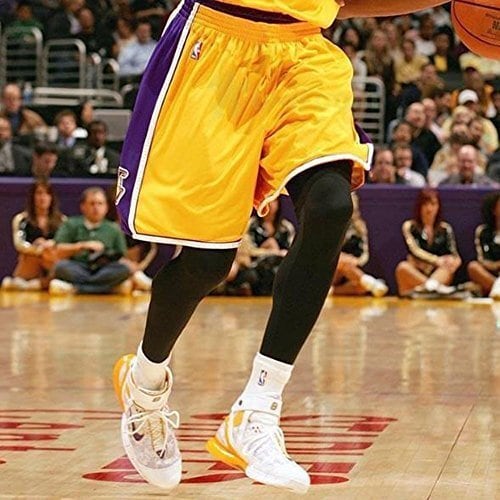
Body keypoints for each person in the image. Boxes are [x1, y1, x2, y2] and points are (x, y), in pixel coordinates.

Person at [112, 0, 451, 493]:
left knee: (332, 206)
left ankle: (257, 411)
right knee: (209, 262)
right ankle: (144, 386)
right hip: (217, 42)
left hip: (302, 51)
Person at [50, 187, 132, 295]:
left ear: (106, 207)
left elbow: (122, 256)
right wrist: (82, 246)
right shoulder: (70, 224)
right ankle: (106, 289)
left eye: (100, 204)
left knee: (123, 269)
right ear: (83, 206)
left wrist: (106, 254)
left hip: (104, 269)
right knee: (60, 267)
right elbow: (58, 249)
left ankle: (76, 289)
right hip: (78, 266)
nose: (96, 208)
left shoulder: (114, 228)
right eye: (92, 204)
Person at [395, 188, 461, 297]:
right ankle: (435, 290)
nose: (429, 209)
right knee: (402, 268)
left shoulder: (445, 228)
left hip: (438, 275)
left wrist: (453, 261)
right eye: (425, 204)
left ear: (438, 207)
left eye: (433, 204)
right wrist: (436, 260)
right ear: (419, 207)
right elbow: (414, 250)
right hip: (417, 273)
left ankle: (425, 290)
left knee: (447, 268)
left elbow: (454, 255)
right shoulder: (410, 226)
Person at [1, 180, 65, 291]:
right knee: (32, 258)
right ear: (32, 197)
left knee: (56, 262)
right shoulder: (22, 219)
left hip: (51, 260)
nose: (43, 198)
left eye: (47, 194)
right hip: (31, 259)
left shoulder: (62, 220)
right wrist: (38, 248)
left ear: (52, 198)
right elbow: (19, 244)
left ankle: (27, 285)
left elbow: (65, 243)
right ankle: (33, 283)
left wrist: (49, 245)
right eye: (39, 193)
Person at [331, 193, 388, 297]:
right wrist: (341, 258)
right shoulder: (330, 224)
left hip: (350, 269)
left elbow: (364, 252)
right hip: (331, 267)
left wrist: (356, 261)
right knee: (341, 261)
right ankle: (372, 283)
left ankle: (331, 291)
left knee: (361, 287)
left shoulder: (360, 226)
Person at [468, 192, 500, 298]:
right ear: (494, 210)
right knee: (473, 267)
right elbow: (482, 260)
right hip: (490, 274)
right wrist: (496, 265)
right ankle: (497, 287)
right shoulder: (483, 231)